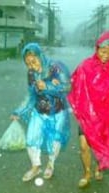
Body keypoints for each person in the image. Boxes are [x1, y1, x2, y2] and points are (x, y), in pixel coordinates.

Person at [68, 31, 109, 188]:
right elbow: (74, 83)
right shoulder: (86, 65)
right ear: (96, 49)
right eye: (103, 51)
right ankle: (87, 173)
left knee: (100, 144)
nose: (106, 55)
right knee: (84, 145)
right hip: (87, 114)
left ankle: (99, 167)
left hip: (105, 116)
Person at [11, 43, 71, 182]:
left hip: (57, 112)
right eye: (28, 63)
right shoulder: (31, 73)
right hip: (39, 111)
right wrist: (19, 111)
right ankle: (36, 166)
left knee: (55, 140)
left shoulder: (55, 67)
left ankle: (51, 164)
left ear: (40, 56)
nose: (31, 66)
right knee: (32, 138)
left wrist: (48, 86)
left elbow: (67, 87)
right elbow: (31, 95)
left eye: (34, 61)